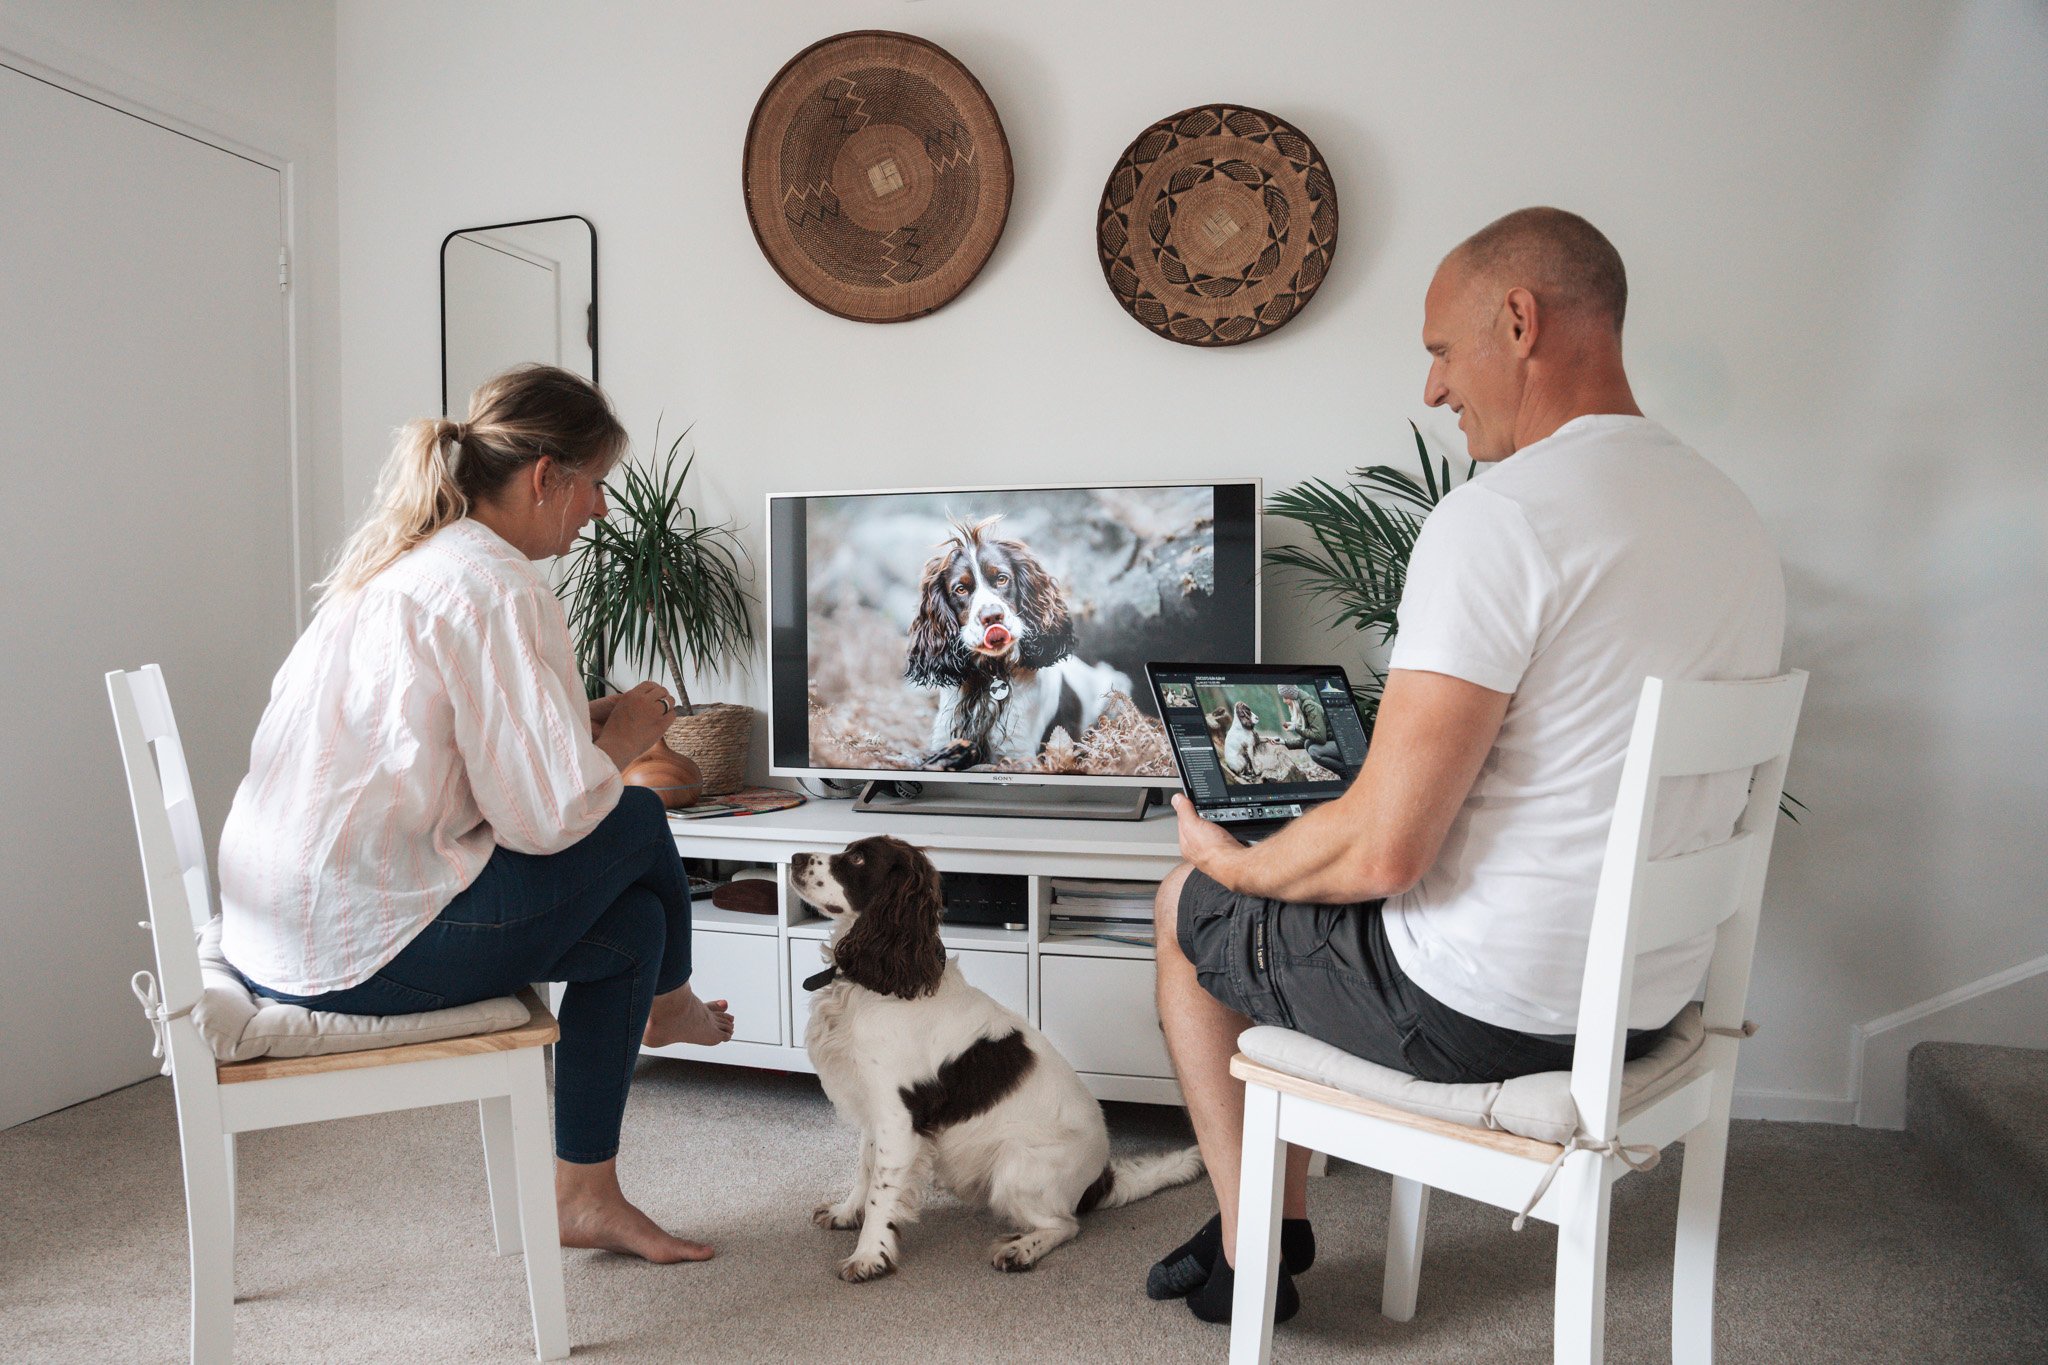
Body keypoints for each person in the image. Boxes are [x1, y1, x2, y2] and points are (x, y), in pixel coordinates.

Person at [1147, 208, 1785, 1323]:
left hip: (1481, 1007)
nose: (1434, 390)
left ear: (1518, 320)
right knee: (1292, 883)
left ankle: (1257, 1247)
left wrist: (1232, 864)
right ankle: (1266, 1213)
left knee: (1183, 904)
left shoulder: (1499, 519)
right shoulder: (1724, 515)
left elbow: (1386, 851)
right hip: (1639, 997)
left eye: (1441, 349)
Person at [217, 364, 736, 1264]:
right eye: (595, 486)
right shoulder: (497, 584)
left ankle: (587, 1191)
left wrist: (583, 722)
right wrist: (629, 737)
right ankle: (671, 1004)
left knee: (633, 925)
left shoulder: (408, 563)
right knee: (640, 821)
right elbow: (548, 814)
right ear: (547, 477)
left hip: (284, 930)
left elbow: (463, 751)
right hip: (360, 947)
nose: (601, 512)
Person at [1275, 682, 1342, 774]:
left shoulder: (1309, 707)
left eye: (1286, 698)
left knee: (1314, 751)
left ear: (1293, 697)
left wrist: (1296, 727)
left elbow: (1320, 737)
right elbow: (1304, 740)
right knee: (1308, 743)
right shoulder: (1302, 708)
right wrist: (1283, 742)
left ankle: (1346, 772)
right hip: (1334, 743)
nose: (1284, 701)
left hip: (1343, 745)